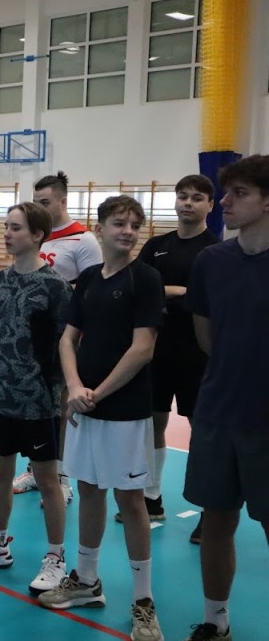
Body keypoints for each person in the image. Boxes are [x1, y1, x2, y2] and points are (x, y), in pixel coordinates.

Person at [37, 195, 164, 641]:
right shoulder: (89, 278)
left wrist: (96, 393)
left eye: (135, 225)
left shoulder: (145, 279)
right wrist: (74, 388)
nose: (128, 231)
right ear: (100, 228)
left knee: (131, 500)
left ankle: (143, 600)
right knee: (89, 490)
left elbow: (142, 348)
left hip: (125, 410)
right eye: (119, 223)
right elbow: (68, 339)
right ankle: (87, 581)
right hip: (84, 406)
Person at [0, 201, 71, 592]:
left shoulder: (55, 286)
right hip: (2, 394)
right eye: (6, 226)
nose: (7, 233)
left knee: (48, 481)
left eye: (15, 228)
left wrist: (63, 394)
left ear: (37, 235)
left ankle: (56, 557)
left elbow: (67, 345)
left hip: (41, 400)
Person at [182, 155, 269, 641]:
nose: (226, 203)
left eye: (239, 193)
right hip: (217, 413)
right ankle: (216, 620)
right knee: (216, 521)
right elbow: (207, 337)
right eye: (227, 192)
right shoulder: (211, 262)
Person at [122, 175, 217, 536]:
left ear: (210, 205)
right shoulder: (157, 246)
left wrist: (168, 294)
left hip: (199, 354)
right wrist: (179, 291)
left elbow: (211, 301)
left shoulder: (214, 250)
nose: (188, 203)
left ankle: (211, 509)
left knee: (203, 432)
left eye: (197, 198)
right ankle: (152, 497)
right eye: (182, 196)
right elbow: (136, 287)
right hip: (157, 352)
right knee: (152, 424)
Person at [14, 171, 102, 504]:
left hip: (67, 337)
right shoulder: (36, 236)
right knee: (35, 404)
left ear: (63, 201)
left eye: (45, 202)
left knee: (62, 407)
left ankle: (62, 476)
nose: (39, 207)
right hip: (34, 338)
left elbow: (94, 288)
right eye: (35, 202)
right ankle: (35, 469)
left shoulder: (83, 240)